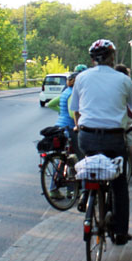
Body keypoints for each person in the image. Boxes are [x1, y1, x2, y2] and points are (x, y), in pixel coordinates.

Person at [70, 39, 132, 245]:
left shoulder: (81, 78)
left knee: (90, 163)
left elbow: (76, 109)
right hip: (114, 138)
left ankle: (86, 193)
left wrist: (79, 125)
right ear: (113, 57)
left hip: (87, 137)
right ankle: (121, 231)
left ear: (93, 59)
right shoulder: (123, 80)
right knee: (119, 183)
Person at [45, 71, 80, 199]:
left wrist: (61, 112)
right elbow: (72, 113)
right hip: (70, 128)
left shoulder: (66, 92)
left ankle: (54, 189)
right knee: (78, 157)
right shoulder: (72, 93)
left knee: (61, 159)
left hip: (59, 126)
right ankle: (73, 190)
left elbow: (51, 104)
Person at [114, 64, 132, 182]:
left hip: (114, 118)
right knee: (131, 142)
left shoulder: (112, 83)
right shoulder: (129, 83)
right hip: (129, 117)